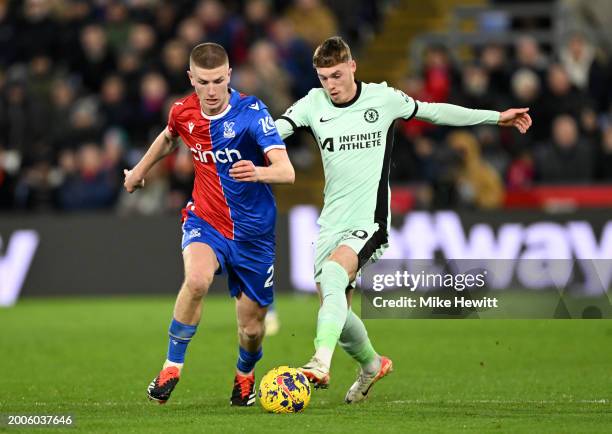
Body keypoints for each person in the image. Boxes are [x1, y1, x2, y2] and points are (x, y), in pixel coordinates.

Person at [275, 36, 531, 403]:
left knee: (334, 275)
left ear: (352, 66)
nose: (330, 84)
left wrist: (495, 117)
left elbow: (436, 112)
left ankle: (319, 361)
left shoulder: (383, 99)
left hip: (370, 220)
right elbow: (271, 132)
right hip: (330, 221)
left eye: (335, 75)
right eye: (322, 77)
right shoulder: (312, 104)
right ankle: (372, 364)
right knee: (337, 309)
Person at [123, 42, 294, 406]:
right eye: (204, 82)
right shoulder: (183, 111)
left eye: (219, 80)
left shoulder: (252, 113)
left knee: (251, 328)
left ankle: (245, 375)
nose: (212, 90)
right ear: (191, 79)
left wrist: (259, 172)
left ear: (229, 75)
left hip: (254, 236)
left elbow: (287, 171)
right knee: (197, 279)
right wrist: (139, 171)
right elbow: (169, 137)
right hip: (206, 220)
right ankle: (172, 366)